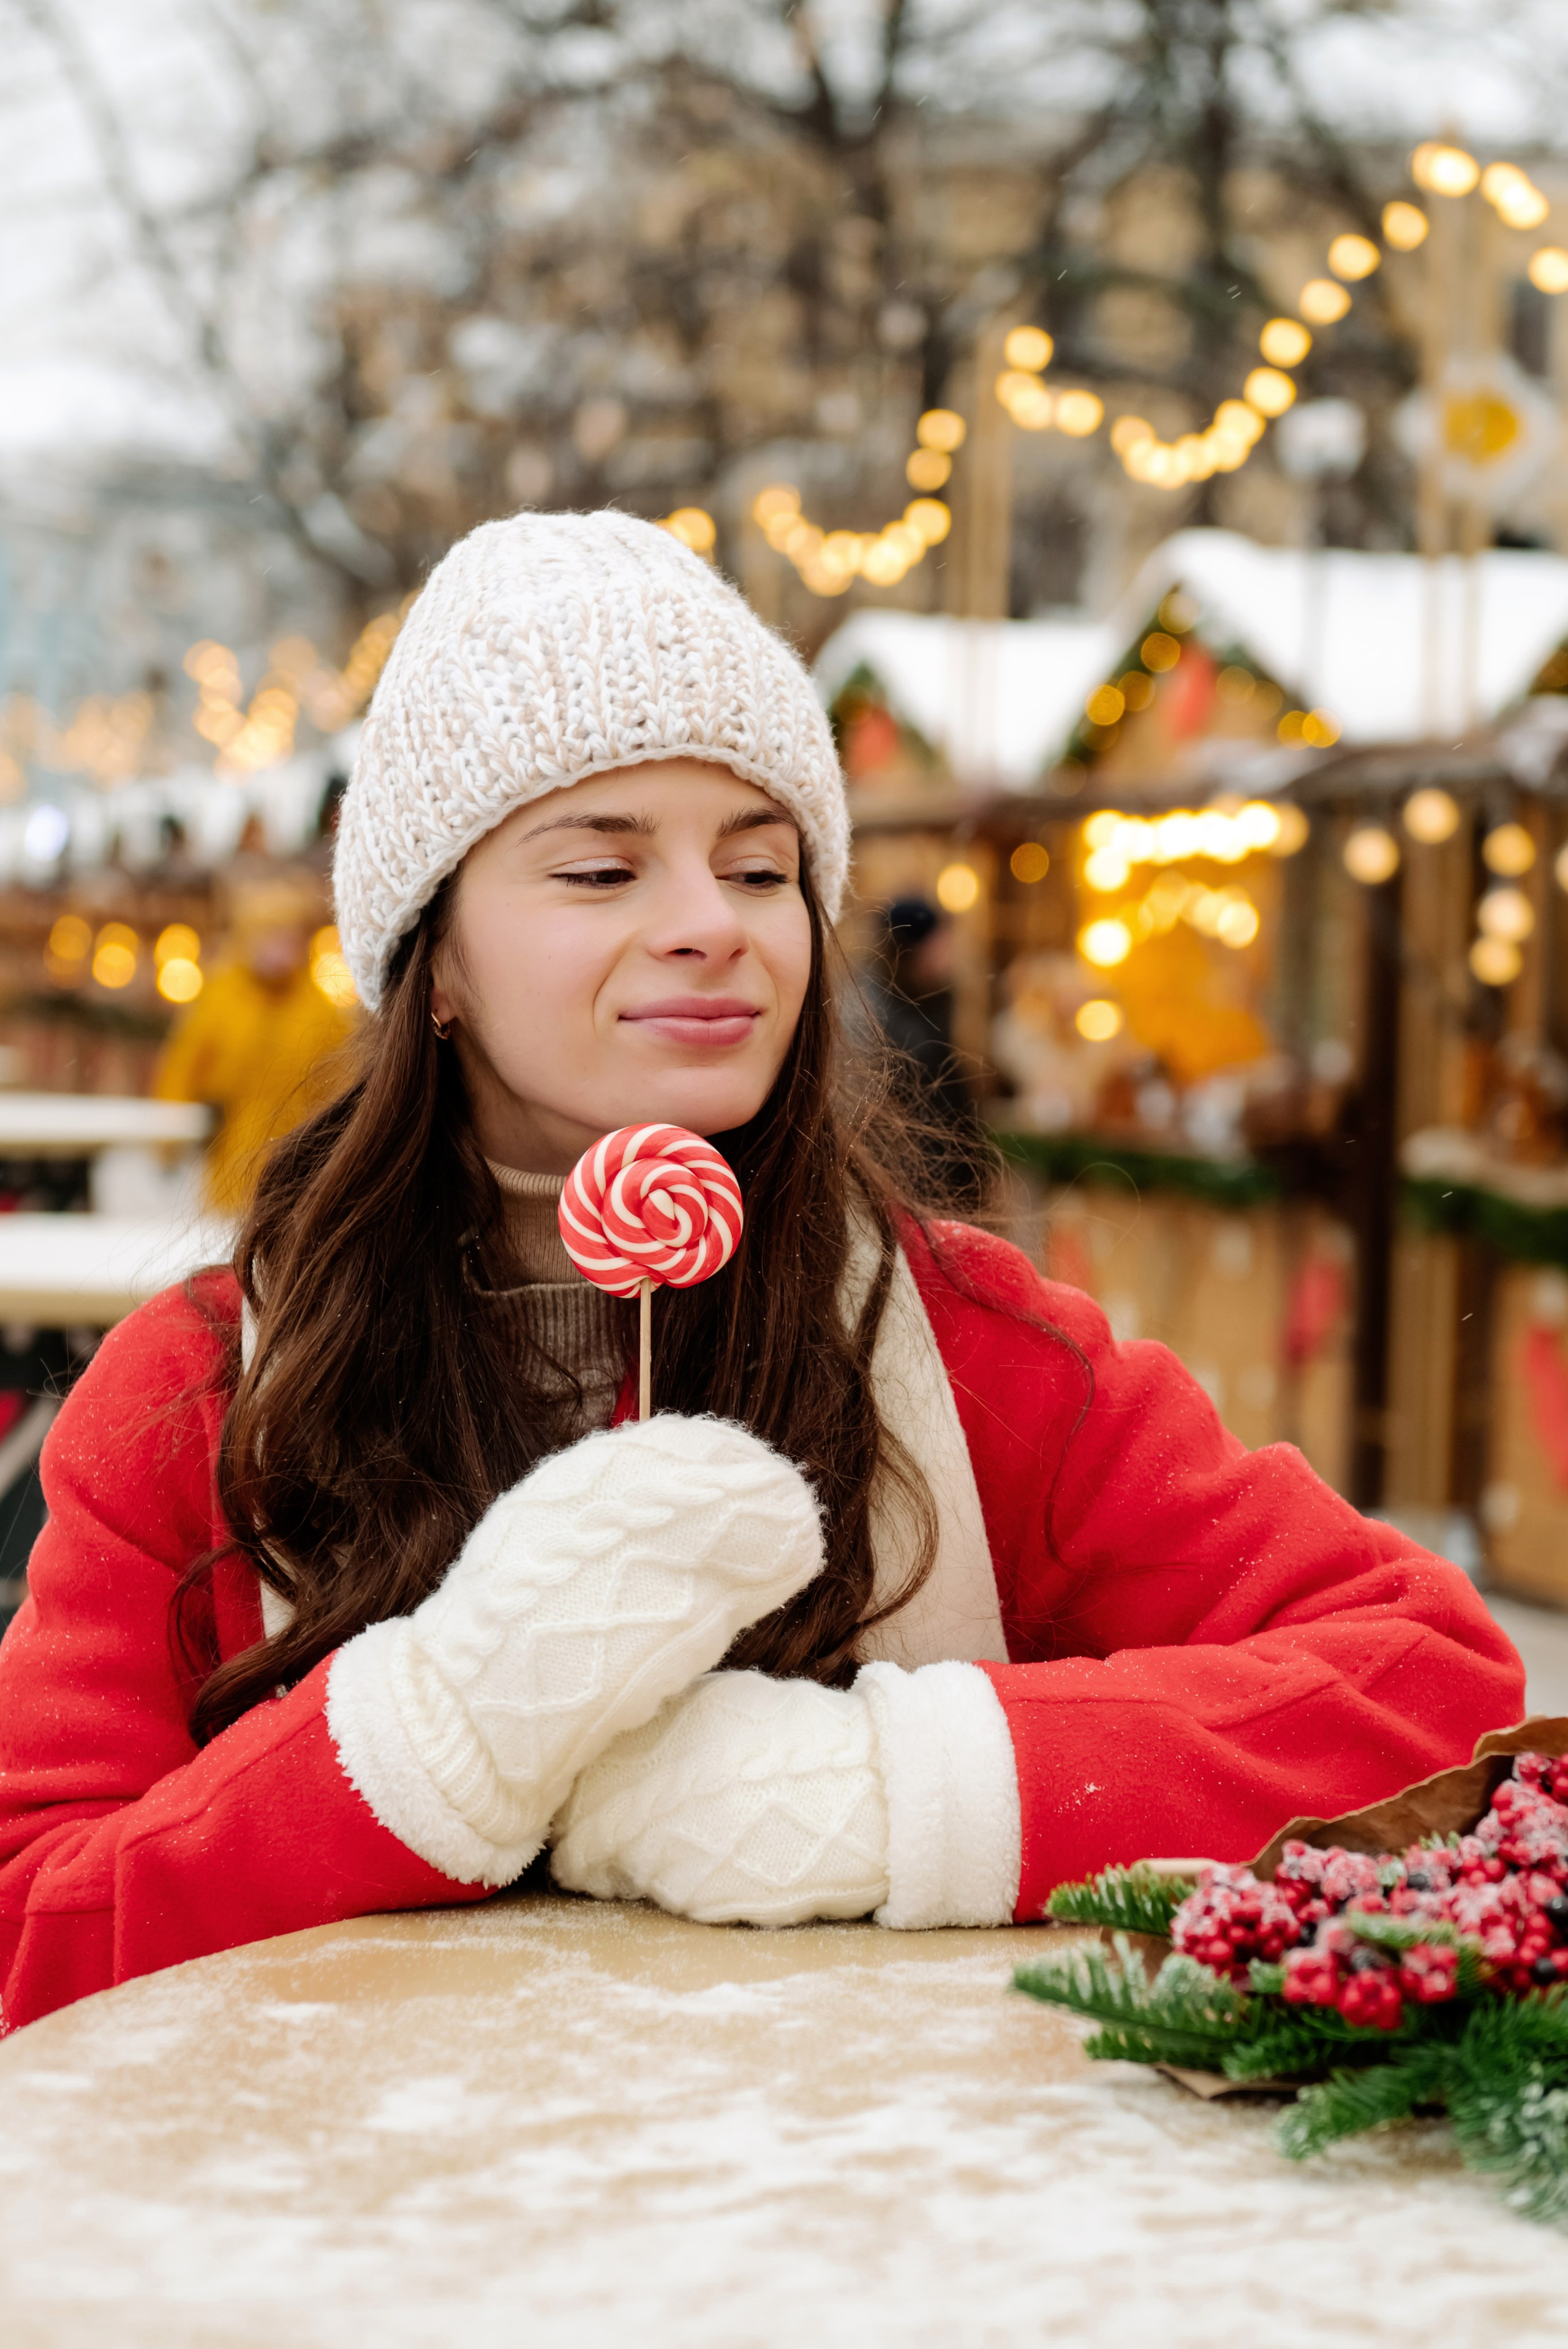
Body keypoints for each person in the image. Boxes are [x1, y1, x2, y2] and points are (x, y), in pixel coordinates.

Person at [0, 513, 1523, 2032]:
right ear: (435, 959)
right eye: (600, 868)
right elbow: (30, 1930)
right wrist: (427, 1739)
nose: (708, 926)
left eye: (760, 866)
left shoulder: (957, 1338)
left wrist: (880, 1788)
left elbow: (1429, 1684)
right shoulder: (207, 1389)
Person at [153, 877, 356, 1213]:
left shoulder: (319, 1009)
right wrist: (169, 1139)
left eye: (290, 935)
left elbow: (340, 1085)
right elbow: (182, 1069)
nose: (282, 947)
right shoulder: (220, 999)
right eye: (270, 934)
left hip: (300, 1171)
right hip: (232, 1162)